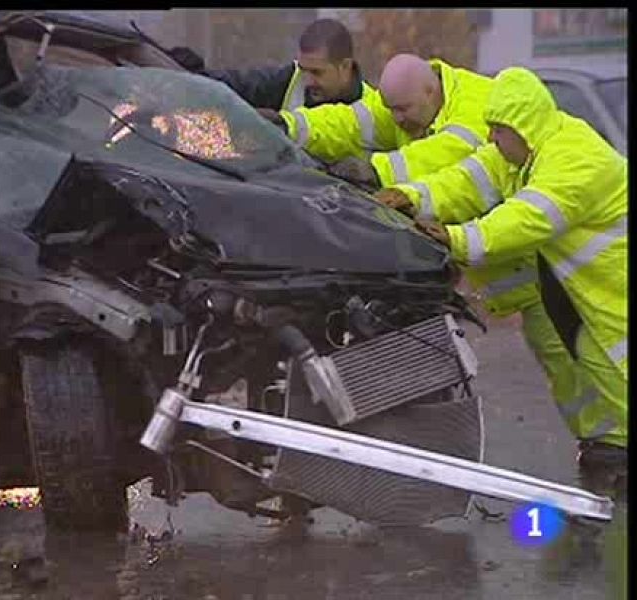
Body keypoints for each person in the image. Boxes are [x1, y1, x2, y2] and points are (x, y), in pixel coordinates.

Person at [386, 67, 627, 493]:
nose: (492, 139)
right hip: (580, 288)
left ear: (522, 128)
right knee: (587, 362)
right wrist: (412, 196)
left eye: (498, 130)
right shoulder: (519, 153)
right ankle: (611, 444)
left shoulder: (574, 157)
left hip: (613, 287)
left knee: (615, 364)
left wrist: (457, 238)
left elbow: (527, 218)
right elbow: (464, 181)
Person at [276, 53, 493, 190]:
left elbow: (448, 153)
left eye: (403, 109)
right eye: (391, 109)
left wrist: (377, 170)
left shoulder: (475, 102)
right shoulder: (408, 95)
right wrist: (288, 125)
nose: (396, 118)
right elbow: (349, 123)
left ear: (430, 92)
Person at [191, 18, 378, 112]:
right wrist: (195, 74)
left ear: (345, 67)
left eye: (317, 72)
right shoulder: (287, 80)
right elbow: (238, 84)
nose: (308, 81)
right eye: (304, 70)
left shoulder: (375, 109)